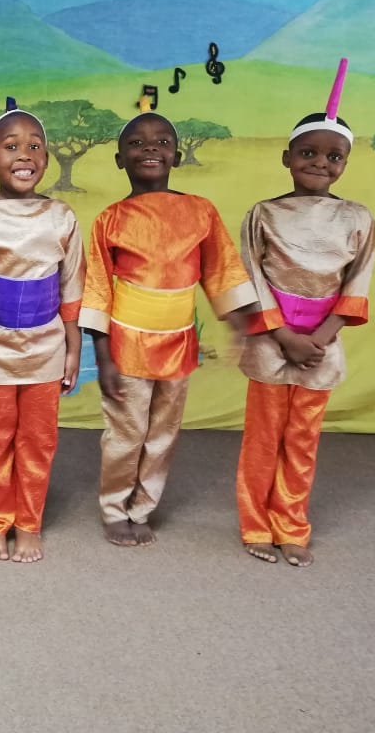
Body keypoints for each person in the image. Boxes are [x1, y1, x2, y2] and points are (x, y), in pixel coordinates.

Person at [80, 111, 257, 547]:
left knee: (162, 432)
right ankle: (114, 509)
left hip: (178, 343)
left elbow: (221, 269)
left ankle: (143, 507)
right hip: (126, 345)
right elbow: (97, 288)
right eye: (136, 142)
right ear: (119, 159)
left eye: (162, 141)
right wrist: (102, 356)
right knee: (126, 433)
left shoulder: (200, 211)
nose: (150, 148)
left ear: (176, 155)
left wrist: (241, 325)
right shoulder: (110, 219)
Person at [236, 60, 375, 567]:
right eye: (309, 152)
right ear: (287, 157)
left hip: (321, 345)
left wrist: (320, 337)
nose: (320, 162)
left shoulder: (357, 218)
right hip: (272, 342)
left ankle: (291, 525)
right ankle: (256, 524)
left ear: (346, 163)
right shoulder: (263, 214)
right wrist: (283, 336)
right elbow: (250, 278)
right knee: (262, 439)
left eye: (333, 156)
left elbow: (357, 282)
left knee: (302, 440)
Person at [0, 98, 85, 563]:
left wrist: (73, 346)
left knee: (38, 440)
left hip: (46, 347)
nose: (24, 154)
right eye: (11, 146)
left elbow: (72, 285)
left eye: (35, 146)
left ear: (46, 157)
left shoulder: (62, 216)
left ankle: (28, 521)